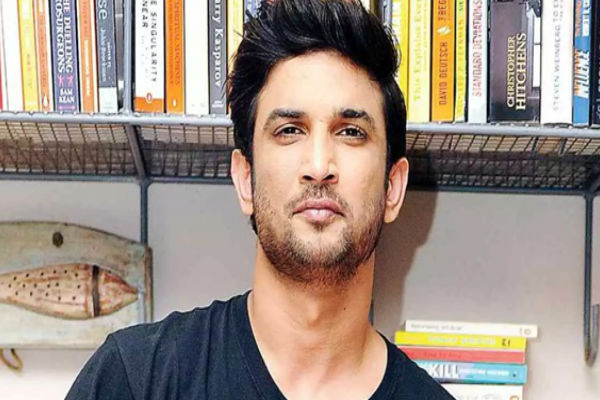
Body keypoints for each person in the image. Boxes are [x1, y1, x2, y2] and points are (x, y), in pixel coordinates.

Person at [66, 0, 453, 399]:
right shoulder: (135, 379)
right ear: (245, 179)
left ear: (393, 188)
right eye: (289, 130)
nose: (319, 165)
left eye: (351, 132)